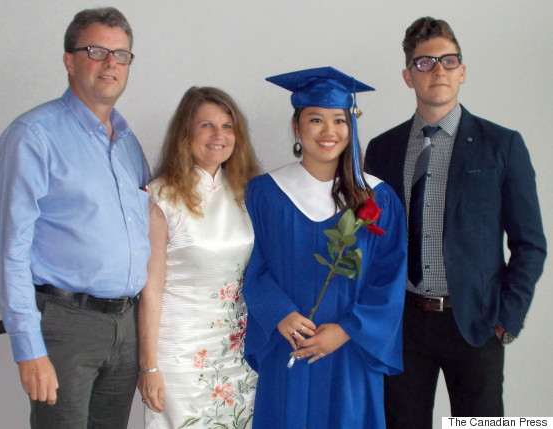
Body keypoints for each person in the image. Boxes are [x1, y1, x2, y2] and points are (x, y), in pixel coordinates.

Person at [365, 17, 547, 428]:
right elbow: (374, 238)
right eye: (425, 62)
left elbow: (530, 243)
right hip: (405, 324)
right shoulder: (383, 149)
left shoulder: (502, 145)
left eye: (449, 60)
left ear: (462, 71)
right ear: (408, 75)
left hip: (476, 324)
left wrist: (507, 320)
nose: (439, 70)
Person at [0, 7, 150, 429]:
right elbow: (10, 250)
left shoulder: (129, 144)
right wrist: (29, 349)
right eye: (97, 51)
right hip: (66, 327)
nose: (111, 64)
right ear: (69, 59)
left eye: (121, 55)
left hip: (125, 325)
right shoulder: (34, 135)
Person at [243, 67, 408, 429]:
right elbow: (251, 265)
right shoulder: (265, 193)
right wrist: (280, 314)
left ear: (351, 127)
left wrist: (347, 329)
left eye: (339, 120)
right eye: (316, 119)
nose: (329, 131)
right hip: (290, 342)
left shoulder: (376, 197)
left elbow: (389, 278)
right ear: (297, 126)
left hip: (350, 349)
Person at [137, 86, 260, 428]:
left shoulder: (249, 193)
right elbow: (151, 288)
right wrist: (149, 366)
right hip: (178, 354)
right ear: (185, 133)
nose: (218, 135)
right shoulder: (161, 197)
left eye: (227, 126)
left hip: (238, 352)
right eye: (206, 125)